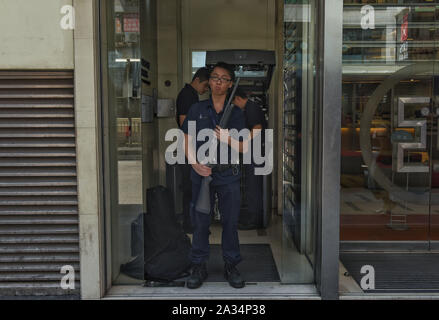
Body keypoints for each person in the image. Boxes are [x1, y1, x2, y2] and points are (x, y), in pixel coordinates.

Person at [181, 62, 246, 289]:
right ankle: (198, 265)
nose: (218, 81)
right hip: (201, 174)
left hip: (228, 174)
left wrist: (228, 138)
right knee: (200, 223)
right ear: (208, 81)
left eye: (224, 78)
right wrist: (195, 163)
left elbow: (245, 147)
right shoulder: (196, 110)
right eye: (215, 77)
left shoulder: (237, 113)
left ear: (230, 84)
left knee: (230, 222)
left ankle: (231, 265)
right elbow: (187, 141)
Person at [176, 67, 210, 233]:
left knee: (195, 187)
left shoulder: (191, 95)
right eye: (205, 86)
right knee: (190, 187)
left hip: (194, 147)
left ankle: (196, 223)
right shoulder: (187, 95)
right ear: (197, 80)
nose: (205, 90)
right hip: (189, 147)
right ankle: (190, 224)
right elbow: (184, 123)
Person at [230, 87, 266, 230]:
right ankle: (253, 216)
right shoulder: (251, 107)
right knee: (253, 185)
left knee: (253, 186)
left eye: (234, 102)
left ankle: (254, 220)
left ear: (238, 99)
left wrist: (242, 143)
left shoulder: (250, 108)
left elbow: (257, 128)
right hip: (255, 151)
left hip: (256, 151)